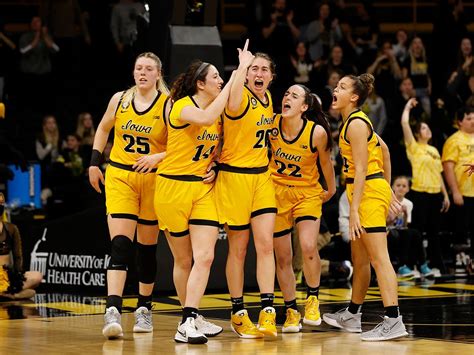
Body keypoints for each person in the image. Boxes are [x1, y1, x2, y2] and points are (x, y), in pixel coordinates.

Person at [154, 53, 239, 343]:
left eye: (222, 77)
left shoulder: (216, 116)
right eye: (216, 77)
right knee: (184, 259)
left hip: (202, 189)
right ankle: (190, 316)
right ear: (201, 83)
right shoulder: (182, 106)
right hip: (171, 189)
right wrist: (237, 73)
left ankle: (189, 319)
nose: (220, 80)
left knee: (206, 256)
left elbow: (208, 149)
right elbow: (205, 118)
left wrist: (214, 166)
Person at [88, 52, 169, 339]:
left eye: (149, 68)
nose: (142, 72)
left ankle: (144, 308)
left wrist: (158, 156)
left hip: (153, 180)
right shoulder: (119, 99)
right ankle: (113, 310)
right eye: (138, 68)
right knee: (120, 245)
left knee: (147, 250)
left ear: (158, 74)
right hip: (121, 175)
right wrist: (94, 162)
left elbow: (182, 145)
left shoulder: (168, 105)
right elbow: (103, 128)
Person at [322, 73, 408, 341]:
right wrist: (388, 188)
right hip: (370, 189)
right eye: (337, 86)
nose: (336, 89)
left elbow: (360, 169)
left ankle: (393, 319)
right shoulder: (354, 122)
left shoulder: (356, 124)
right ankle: (352, 314)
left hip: (367, 192)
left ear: (355, 97)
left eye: (343, 87)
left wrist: (357, 207)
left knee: (378, 258)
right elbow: (385, 152)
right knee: (359, 260)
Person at [215, 50, 277, 338]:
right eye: (254, 69)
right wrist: (240, 66)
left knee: (265, 245)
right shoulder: (238, 98)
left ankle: (267, 310)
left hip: (261, 177)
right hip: (234, 178)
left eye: (264, 69)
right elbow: (236, 92)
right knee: (238, 249)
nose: (259, 74)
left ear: (271, 77)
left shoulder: (268, 99)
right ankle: (238, 312)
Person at [269, 85, 336, 333]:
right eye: (286, 93)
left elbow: (326, 164)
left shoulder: (316, 132)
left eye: (294, 96)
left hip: (306, 193)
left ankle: (313, 299)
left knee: (308, 246)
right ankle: (290, 310)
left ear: (304, 107)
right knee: (283, 257)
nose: (287, 97)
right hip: (276, 192)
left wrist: (330, 189)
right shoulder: (271, 124)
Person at [401, 98, 450, 273]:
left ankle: (436, 263)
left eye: (427, 127)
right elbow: (404, 123)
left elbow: (439, 174)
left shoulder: (435, 150)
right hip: (419, 193)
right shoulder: (413, 147)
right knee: (417, 231)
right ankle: (413, 264)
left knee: (434, 232)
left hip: (436, 194)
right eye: (423, 128)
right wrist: (407, 107)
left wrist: (445, 195)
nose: (427, 129)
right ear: (416, 133)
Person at [442, 106, 474, 271]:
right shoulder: (454, 140)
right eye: (469, 118)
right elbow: (448, 166)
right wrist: (455, 191)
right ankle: (461, 263)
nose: (473, 121)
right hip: (463, 192)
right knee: (461, 229)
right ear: (460, 121)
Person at [387, 176, 433, 278]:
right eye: (398, 185)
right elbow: (384, 224)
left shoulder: (408, 203)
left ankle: (422, 264)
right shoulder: (388, 201)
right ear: (392, 187)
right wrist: (393, 217)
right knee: (406, 234)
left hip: (399, 230)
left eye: (404, 186)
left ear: (408, 189)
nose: (401, 188)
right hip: (387, 230)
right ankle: (401, 266)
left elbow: (404, 225)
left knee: (414, 232)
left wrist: (405, 214)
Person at [0, 193, 43, 299]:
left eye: (1, 203)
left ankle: (8, 294)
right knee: (30, 292)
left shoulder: (11, 228)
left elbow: (17, 256)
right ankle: (11, 295)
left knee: (37, 276)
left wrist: (17, 277)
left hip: (7, 277)